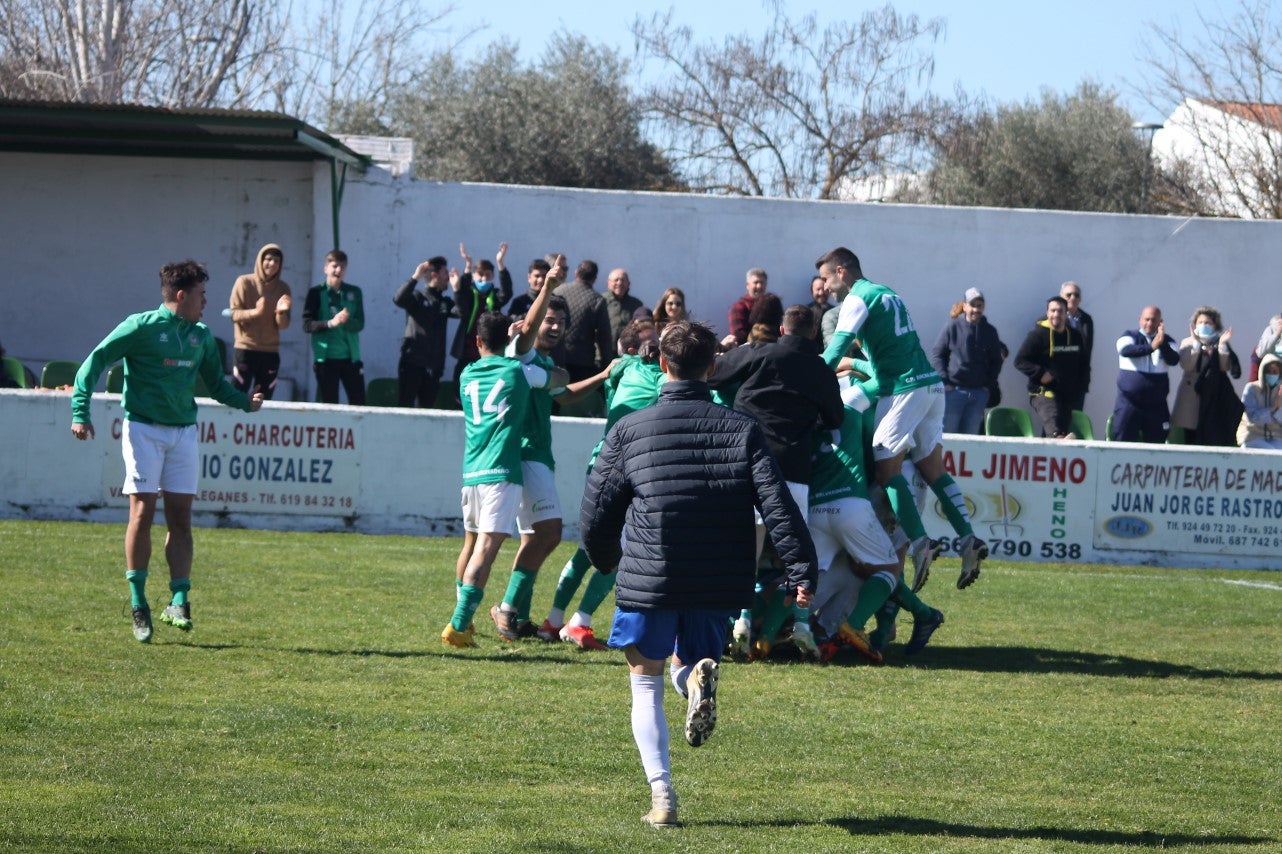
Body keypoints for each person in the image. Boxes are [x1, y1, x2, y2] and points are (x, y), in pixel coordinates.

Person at [580, 320, 817, 829]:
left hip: (651, 572)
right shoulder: (742, 428)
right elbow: (777, 505)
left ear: (661, 365)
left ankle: (663, 796)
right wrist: (800, 568)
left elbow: (597, 510)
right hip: (716, 576)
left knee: (644, 683)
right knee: (691, 661)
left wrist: (604, 558)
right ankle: (695, 682)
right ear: (713, 368)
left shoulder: (629, 428)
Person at [70, 260, 265, 642]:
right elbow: (95, 361)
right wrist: (80, 410)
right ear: (181, 295)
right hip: (143, 429)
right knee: (142, 510)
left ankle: (178, 600)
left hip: (184, 434)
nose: (206, 301)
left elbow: (215, 385)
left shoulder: (202, 336)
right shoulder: (141, 327)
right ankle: (139, 603)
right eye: (201, 294)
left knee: (181, 517)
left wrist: (245, 402)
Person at [816, 246, 987, 592]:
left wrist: (806, 375)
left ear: (841, 271)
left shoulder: (856, 299)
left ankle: (921, 543)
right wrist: (857, 365)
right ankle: (968, 538)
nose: (824, 288)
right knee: (933, 468)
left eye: (825, 278)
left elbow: (835, 351)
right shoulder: (888, 294)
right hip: (931, 386)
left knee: (885, 468)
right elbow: (884, 361)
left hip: (906, 390)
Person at [441, 263, 564, 648]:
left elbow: (512, 344)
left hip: (471, 471)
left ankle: (465, 618)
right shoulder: (517, 373)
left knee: (470, 543)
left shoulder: (466, 374)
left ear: (477, 343)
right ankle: (459, 625)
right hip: (502, 471)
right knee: (487, 549)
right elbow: (556, 381)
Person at [709, 305, 843, 657]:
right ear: (813, 334)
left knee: (745, 553)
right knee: (795, 557)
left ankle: (740, 619)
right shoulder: (821, 370)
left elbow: (712, 375)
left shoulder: (759, 353)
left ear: (782, 329)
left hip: (750, 464)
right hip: (794, 472)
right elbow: (834, 417)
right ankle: (799, 622)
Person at [538, 319, 665, 649]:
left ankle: (552, 620)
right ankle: (580, 623)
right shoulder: (657, 379)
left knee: (587, 548)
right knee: (619, 551)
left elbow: (621, 366)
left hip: (601, 462)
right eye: (655, 342)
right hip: (630, 469)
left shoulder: (620, 373)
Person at [488, 293, 574, 641]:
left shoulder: (540, 361)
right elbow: (555, 377)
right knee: (551, 533)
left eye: (560, 322)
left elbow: (564, 393)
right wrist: (551, 283)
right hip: (527, 454)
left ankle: (518, 616)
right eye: (548, 320)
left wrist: (601, 375)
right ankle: (506, 608)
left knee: (532, 537)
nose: (553, 327)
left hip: (537, 454)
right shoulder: (522, 351)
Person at [930, 287, 1006, 435]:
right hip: (954, 392)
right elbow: (937, 354)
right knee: (948, 436)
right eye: (972, 305)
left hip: (979, 394)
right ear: (964, 306)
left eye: (979, 305)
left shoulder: (990, 331)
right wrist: (945, 382)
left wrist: (987, 385)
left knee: (970, 437)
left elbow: (996, 360)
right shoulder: (952, 327)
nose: (976, 309)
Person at [1013, 296, 1088, 439]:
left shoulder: (1075, 336)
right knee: (1054, 424)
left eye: (1060, 311)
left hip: (1067, 395)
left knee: (1061, 431)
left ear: (1066, 313)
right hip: (1043, 393)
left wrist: (1081, 385)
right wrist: (1041, 373)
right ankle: (1058, 437)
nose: (1056, 314)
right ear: (1047, 313)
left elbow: (1083, 363)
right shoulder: (1037, 335)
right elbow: (1020, 361)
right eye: (1053, 310)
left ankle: (1058, 445)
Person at [1172, 306, 1242, 446]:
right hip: (1191, 396)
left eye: (1208, 323)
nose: (1204, 325)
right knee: (1190, 436)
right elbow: (1187, 365)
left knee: (1210, 434)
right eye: (1200, 322)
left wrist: (1221, 345)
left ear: (1215, 325)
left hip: (1212, 394)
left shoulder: (1220, 342)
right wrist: (1197, 344)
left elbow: (1225, 367)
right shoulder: (1188, 342)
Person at [302, 249, 365, 405]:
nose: (338, 270)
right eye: (334, 266)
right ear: (326, 268)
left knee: (359, 403)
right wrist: (331, 323)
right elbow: (307, 325)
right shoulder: (316, 292)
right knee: (330, 405)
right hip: (326, 359)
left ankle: (355, 431)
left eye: (342, 267)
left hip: (351, 358)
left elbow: (360, 324)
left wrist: (346, 320)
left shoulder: (354, 292)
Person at [229, 243, 292, 399]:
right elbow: (234, 315)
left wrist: (281, 312)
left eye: (276, 261)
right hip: (246, 348)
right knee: (237, 395)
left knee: (264, 399)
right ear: (260, 260)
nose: (272, 264)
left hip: (270, 352)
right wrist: (256, 312)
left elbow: (283, 325)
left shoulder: (283, 288)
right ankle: (234, 424)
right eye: (268, 259)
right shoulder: (244, 282)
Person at [392, 256, 454, 408]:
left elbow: (462, 312)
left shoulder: (444, 302)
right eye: (445, 273)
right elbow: (398, 299)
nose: (449, 277)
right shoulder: (418, 297)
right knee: (405, 407)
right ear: (435, 275)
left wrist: (458, 288)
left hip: (434, 367)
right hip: (412, 362)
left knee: (427, 411)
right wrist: (416, 277)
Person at [1111, 305, 1179, 442]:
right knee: (1123, 441)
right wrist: (1151, 347)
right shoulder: (1129, 335)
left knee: (1156, 444)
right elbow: (1126, 351)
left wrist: (1161, 342)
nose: (1149, 323)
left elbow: (1174, 359)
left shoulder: (1169, 341)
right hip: (1129, 403)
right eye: (1146, 319)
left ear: (1160, 322)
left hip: (1156, 406)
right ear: (1140, 320)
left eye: (1153, 320)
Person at [449, 242, 513, 387]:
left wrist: (500, 262)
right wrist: (466, 268)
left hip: (489, 350)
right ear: (474, 275)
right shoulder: (469, 294)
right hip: (467, 349)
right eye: (480, 275)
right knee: (461, 382)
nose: (483, 279)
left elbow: (507, 293)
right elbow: (461, 303)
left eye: (488, 275)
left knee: (486, 383)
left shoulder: (494, 297)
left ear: (492, 277)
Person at [1060, 281, 1093, 412]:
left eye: (1076, 295)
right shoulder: (1051, 318)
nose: (1073, 298)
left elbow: (1088, 350)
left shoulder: (1086, 319)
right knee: (1054, 424)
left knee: (1075, 421)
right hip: (1057, 381)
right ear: (1061, 296)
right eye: (1069, 294)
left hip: (1078, 381)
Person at [1237, 353, 1282, 450]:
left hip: (1276, 437)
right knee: (1271, 453)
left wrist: (1279, 408)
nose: (1271, 374)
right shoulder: (1252, 389)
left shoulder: (1280, 391)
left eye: (1275, 371)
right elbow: (1252, 417)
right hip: (1252, 436)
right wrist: (1272, 409)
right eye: (1268, 371)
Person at [723, 267, 768, 348]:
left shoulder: (770, 306)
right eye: (756, 282)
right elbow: (739, 336)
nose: (759, 286)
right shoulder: (738, 307)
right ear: (747, 285)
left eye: (762, 282)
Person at [604, 268, 644, 346]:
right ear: (608, 283)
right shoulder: (601, 301)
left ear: (628, 284)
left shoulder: (636, 304)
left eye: (623, 280)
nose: (619, 283)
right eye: (616, 280)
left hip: (628, 352)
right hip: (604, 351)